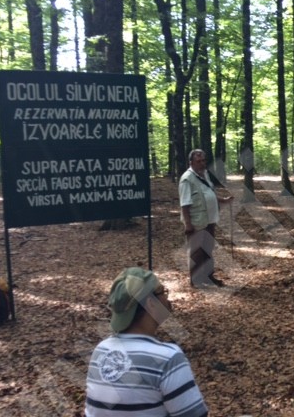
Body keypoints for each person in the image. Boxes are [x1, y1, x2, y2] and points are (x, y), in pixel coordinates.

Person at [85, 267, 209, 416]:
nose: (167, 298)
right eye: (162, 292)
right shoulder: (167, 358)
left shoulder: (101, 351)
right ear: (151, 303)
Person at [179, 149, 233, 287]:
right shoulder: (186, 179)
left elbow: (209, 193)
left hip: (209, 220)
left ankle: (208, 277)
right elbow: (185, 204)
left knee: (207, 250)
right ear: (191, 162)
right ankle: (196, 281)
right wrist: (188, 225)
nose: (202, 164)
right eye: (199, 161)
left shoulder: (205, 174)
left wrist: (224, 200)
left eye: (203, 160)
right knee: (197, 252)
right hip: (197, 222)